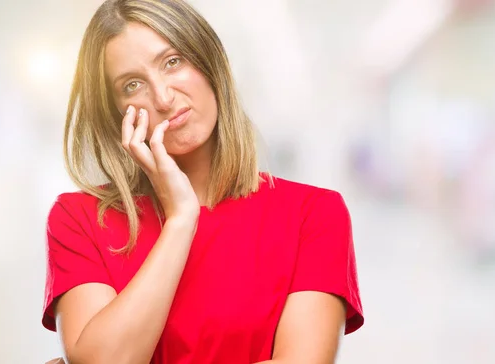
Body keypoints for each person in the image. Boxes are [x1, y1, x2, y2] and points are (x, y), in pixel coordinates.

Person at [41, 0, 364, 363]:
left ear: (210, 61)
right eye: (132, 85)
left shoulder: (314, 215)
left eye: (173, 62)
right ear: (116, 112)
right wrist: (180, 221)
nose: (162, 98)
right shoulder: (79, 219)